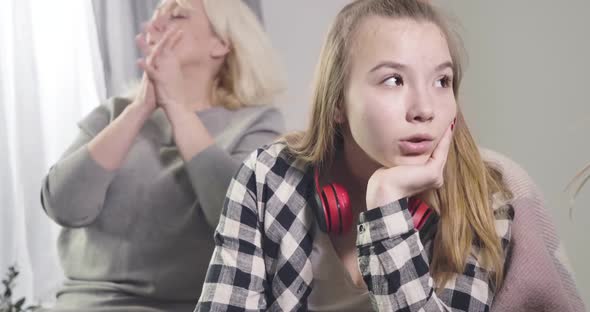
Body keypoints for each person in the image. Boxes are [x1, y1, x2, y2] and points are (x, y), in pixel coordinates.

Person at [196, 0, 517, 311]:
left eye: (441, 81)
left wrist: (387, 210)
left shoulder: (483, 202)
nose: (424, 109)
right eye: (394, 80)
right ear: (337, 102)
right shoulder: (267, 178)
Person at [40, 0, 285, 311]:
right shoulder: (112, 115)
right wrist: (140, 108)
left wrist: (177, 108)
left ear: (221, 43)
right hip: (88, 302)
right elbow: (64, 206)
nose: (155, 24)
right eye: (156, 15)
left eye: (178, 14)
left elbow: (243, 220)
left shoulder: (256, 123)